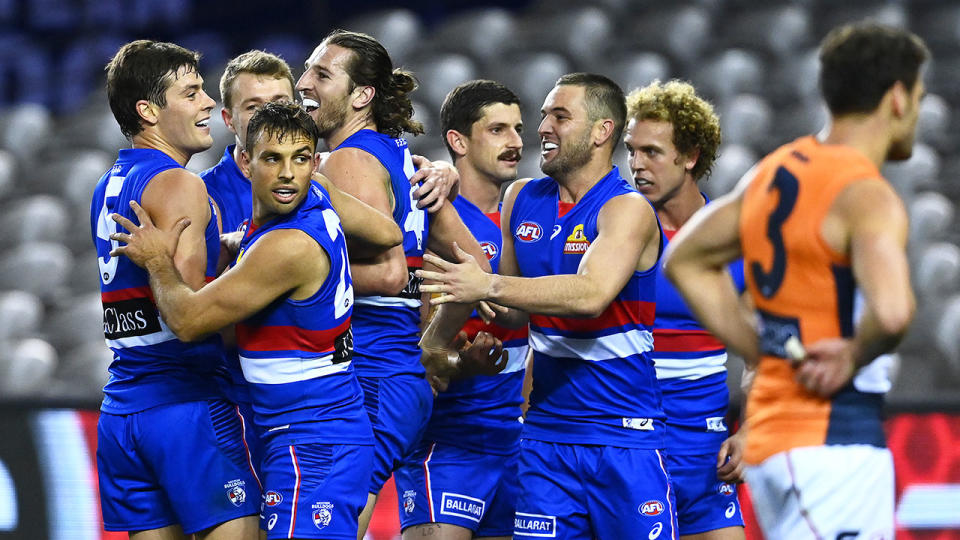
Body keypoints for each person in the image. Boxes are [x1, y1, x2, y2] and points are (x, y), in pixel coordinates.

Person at [663, 22, 927, 539]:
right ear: (897, 97)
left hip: (786, 441)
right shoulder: (864, 194)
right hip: (829, 441)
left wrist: (760, 351)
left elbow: (686, 258)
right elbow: (894, 313)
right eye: (919, 94)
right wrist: (852, 355)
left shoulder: (772, 172)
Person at [109, 101, 391, 540]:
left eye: (300, 159)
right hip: (308, 432)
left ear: (315, 163)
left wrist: (156, 261)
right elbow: (389, 233)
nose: (287, 174)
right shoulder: (318, 195)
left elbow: (185, 321)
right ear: (245, 161)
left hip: (312, 440)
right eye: (273, 158)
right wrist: (243, 242)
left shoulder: (286, 248)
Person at [419, 73, 677, 540]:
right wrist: (465, 297)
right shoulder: (521, 199)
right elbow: (516, 311)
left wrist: (488, 284)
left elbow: (591, 294)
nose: (542, 128)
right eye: (543, 116)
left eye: (560, 116)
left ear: (602, 131)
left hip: (623, 437)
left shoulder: (627, 209)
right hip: (543, 440)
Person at [295, 29, 495, 537]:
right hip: (395, 375)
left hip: (369, 374)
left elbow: (389, 273)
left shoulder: (348, 160)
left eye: (322, 73)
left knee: (329, 525)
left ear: (362, 95)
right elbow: (476, 268)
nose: (304, 82)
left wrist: (286, 278)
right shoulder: (400, 157)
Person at [201, 49, 407, 477]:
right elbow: (200, 317)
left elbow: (389, 238)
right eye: (255, 107)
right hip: (235, 396)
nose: (273, 115)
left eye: (282, 104)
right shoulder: (205, 195)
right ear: (228, 119)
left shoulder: (315, 181)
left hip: (306, 400)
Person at [90, 39, 259, 539]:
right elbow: (189, 313)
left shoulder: (109, 183)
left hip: (122, 413)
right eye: (191, 93)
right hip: (185, 407)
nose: (208, 103)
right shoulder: (181, 184)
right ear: (148, 110)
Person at [394, 80, 529, 540]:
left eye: (517, 129)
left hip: (517, 446)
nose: (515, 142)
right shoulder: (434, 217)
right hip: (448, 440)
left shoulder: (530, 220)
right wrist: (462, 364)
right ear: (458, 141)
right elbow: (417, 346)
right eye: (497, 130)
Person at [624, 80, 746, 540]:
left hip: (706, 450)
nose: (636, 165)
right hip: (632, 446)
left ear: (690, 156)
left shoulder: (736, 240)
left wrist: (750, 428)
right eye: (631, 151)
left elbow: (759, 349)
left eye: (652, 152)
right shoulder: (617, 230)